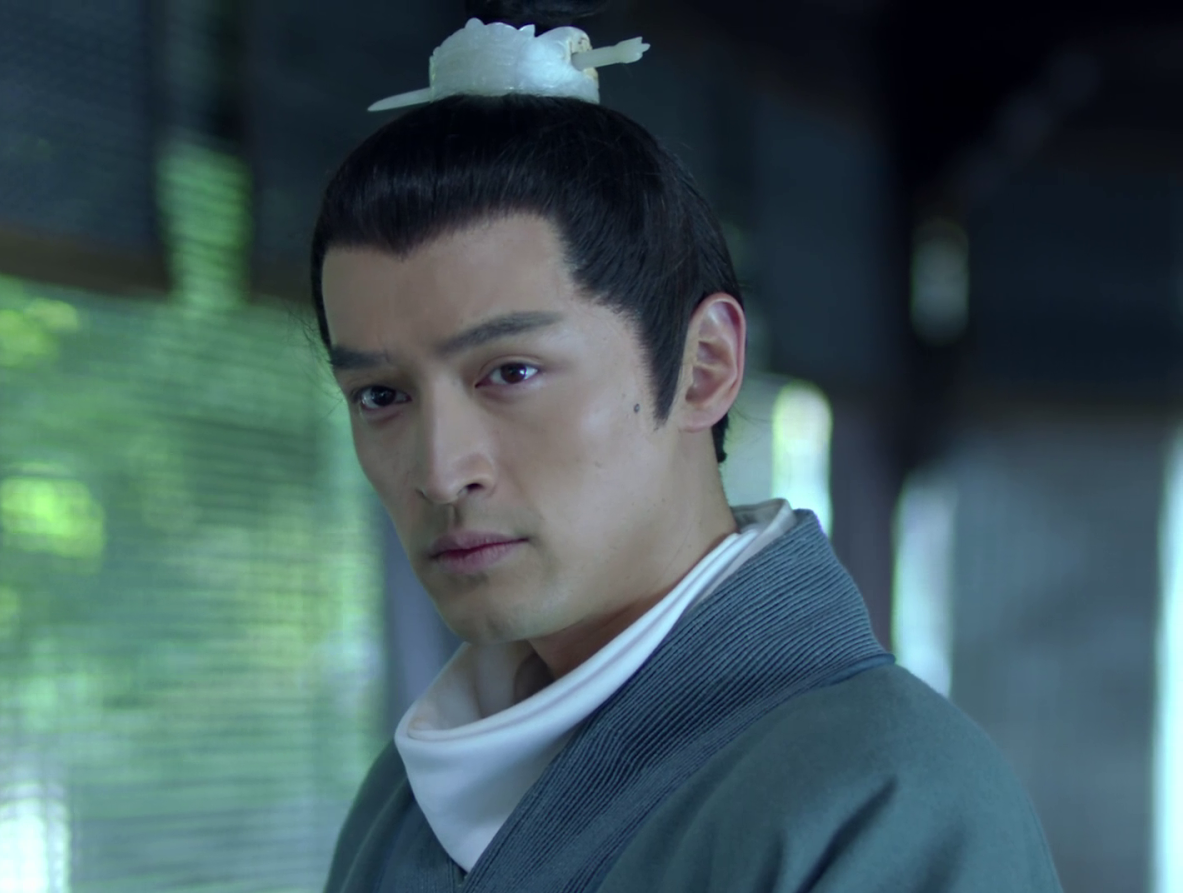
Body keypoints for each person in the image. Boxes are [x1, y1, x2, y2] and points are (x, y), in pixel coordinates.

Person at [309, 2, 1063, 891]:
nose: (440, 471)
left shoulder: (893, 797)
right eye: (381, 395)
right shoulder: (401, 802)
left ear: (704, 367)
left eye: (511, 372)